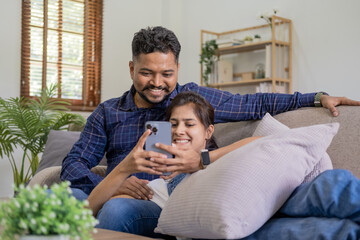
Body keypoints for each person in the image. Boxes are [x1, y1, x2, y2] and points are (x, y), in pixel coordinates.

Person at [60, 26, 360, 236]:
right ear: (131, 69)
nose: (157, 83)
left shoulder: (189, 100)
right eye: (146, 73)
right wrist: (117, 183)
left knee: (115, 211)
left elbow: (253, 103)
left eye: (167, 74)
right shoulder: (108, 112)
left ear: (177, 68)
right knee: (70, 197)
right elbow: (73, 167)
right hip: (126, 195)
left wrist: (316, 97)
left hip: (177, 196)